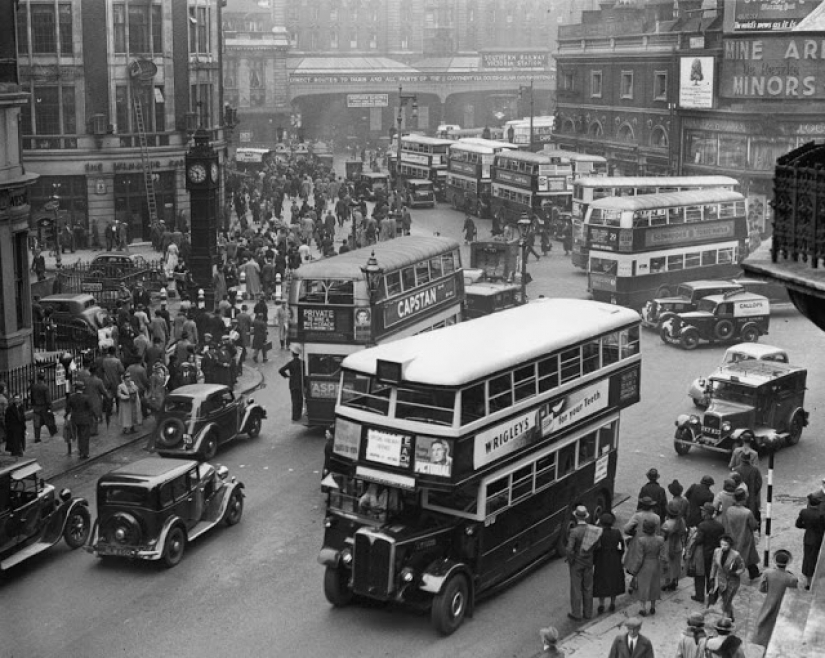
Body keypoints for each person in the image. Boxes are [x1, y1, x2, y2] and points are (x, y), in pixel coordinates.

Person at [752, 549, 798, 647]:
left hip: (769, 601)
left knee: (763, 622)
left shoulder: (768, 572)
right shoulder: (792, 578)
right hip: (783, 605)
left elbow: (762, 589)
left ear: (775, 561)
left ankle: (760, 642)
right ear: (787, 563)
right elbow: (793, 595)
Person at [565, 505, 602, 621]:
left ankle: (576, 613)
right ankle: (588, 613)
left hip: (577, 562)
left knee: (576, 588)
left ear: (576, 517)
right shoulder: (592, 530)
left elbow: (569, 549)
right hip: (588, 562)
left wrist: (570, 559)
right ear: (586, 517)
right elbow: (598, 545)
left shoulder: (574, 532)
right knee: (588, 587)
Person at [687, 502, 725, 603]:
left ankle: (700, 596)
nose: (701, 513)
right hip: (715, 554)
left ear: (706, 513)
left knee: (699, 576)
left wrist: (694, 534)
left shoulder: (702, 525)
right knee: (711, 576)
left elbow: (699, 540)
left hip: (703, 554)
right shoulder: (719, 526)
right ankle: (711, 595)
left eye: (703, 511)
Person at [720, 488, 760, 580]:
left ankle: (753, 572)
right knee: (747, 556)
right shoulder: (747, 512)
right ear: (743, 499)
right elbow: (753, 526)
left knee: (736, 555)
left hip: (733, 536)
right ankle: (748, 573)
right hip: (745, 537)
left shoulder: (730, 510)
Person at [627, 519, 664, 616]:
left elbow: (639, 558)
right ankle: (652, 606)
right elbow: (663, 555)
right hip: (655, 563)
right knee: (654, 585)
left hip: (645, 565)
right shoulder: (660, 539)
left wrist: (634, 570)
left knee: (643, 586)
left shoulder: (641, 540)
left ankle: (643, 608)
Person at [593, 511, 625, 614]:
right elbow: (621, 546)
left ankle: (601, 604)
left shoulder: (599, 534)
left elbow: (595, 548)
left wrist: (595, 559)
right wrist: (619, 555)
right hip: (614, 559)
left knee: (601, 581)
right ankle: (612, 602)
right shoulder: (617, 533)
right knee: (613, 581)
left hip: (602, 560)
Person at [710, 534, 745, 622]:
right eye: (721, 544)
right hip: (721, 581)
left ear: (730, 545)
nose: (723, 547)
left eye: (725, 545)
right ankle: (730, 617)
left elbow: (742, 568)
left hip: (732, 581)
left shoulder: (736, 555)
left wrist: (735, 572)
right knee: (725, 601)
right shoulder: (717, 551)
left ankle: (726, 619)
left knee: (726, 601)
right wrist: (712, 578)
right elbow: (714, 565)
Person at [795, 494, 825, 589]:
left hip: (807, 538)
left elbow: (798, 524)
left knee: (807, 557)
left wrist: (807, 527)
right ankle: (811, 581)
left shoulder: (804, 512)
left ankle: (807, 579)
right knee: (814, 559)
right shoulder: (821, 515)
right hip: (818, 539)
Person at [65, 379, 94, 459]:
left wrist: (68, 415)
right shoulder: (86, 398)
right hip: (85, 419)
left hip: (76, 419)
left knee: (79, 435)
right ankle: (85, 453)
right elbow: (91, 409)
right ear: (82, 389)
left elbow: (67, 409)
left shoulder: (71, 397)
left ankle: (80, 452)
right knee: (85, 436)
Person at [662, 500, 686, 591]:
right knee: (676, 565)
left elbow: (664, 537)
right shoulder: (682, 521)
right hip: (678, 546)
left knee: (668, 565)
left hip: (669, 547)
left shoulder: (667, 524)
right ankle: (675, 581)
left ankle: (668, 583)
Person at [279, 344, 304, 421]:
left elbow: (281, 370)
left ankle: (294, 416)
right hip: (300, 383)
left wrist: (286, 376)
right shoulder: (302, 363)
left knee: (294, 400)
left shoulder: (290, 363)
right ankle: (299, 415)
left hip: (292, 383)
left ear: (293, 354)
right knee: (300, 400)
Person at [29, 370, 53, 443]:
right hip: (44, 407)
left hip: (36, 407)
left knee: (37, 424)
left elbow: (32, 397)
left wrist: (33, 405)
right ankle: (53, 433)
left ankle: (37, 438)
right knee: (49, 421)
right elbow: (48, 398)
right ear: (44, 378)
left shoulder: (34, 386)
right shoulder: (45, 387)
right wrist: (50, 406)